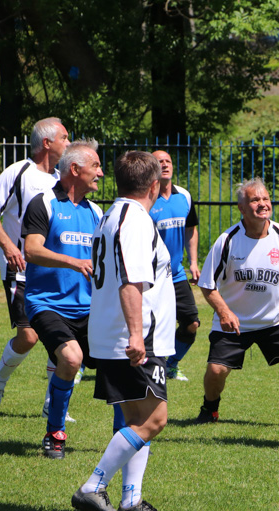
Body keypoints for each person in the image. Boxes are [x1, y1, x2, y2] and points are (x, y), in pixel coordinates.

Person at [73, 151, 174, 511]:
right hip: (133, 337)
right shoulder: (135, 220)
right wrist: (136, 334)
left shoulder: (111, 214)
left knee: (136, 420)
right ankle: (93, 484)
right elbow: (131, 281)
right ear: (154, 184)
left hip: (111, 332)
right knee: (154, 420)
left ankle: (131, 500)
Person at [195, 178, 279, 428]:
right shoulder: (227, 240)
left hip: (274, 320)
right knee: (216, 371)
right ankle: (209, 410)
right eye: (255, 200)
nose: (262, 204)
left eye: (265, 199)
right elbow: (207, 284)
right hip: (234, 322)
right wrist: (223, 312)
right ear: (242, 208)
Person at [0, 117, 70, 415]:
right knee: (28, 336)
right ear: (47, 143)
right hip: (19, 270)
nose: (69, 144)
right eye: (65, 138)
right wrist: (8, 245)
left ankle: (51, 403)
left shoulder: (62, 180)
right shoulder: (19, 172)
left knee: (62, 338)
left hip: (54, 272)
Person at [21, 140, 104, 459]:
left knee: (120, 363)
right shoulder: (43, 203)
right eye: (95, 166)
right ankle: (55, 431)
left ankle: (125, 438)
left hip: (89, 307)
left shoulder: (96, 211)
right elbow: (32, 250)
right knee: (70, 359)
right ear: (75, 169)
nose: (100, 172)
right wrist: (73, 261)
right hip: (46, 303)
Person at [149, 150, 201, 382]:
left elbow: (191, 230)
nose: (165, 165)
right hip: (151, 276)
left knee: (191, 324)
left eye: (168, 161)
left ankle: (172, 365)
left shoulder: (184, 196)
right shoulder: (146, 199)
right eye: (159, 162)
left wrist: (193, 262)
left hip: (177, 274)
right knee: (152, 326)